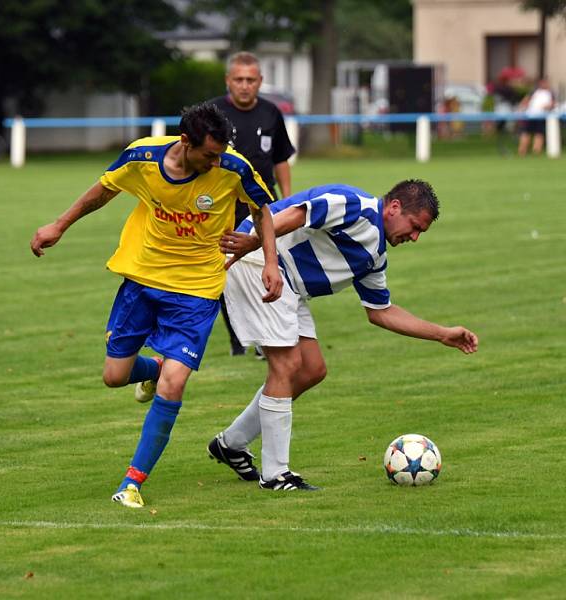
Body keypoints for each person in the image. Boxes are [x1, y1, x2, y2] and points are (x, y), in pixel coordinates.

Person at [30, 102, 283, 509]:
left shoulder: (232, 168)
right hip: (144, 279)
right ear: (185, 142)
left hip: (197, 289)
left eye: (221, 153)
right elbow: (104, 190)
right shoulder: (143, 157)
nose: (216, 161)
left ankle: (132, 482)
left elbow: (262, 209)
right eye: (209, 154)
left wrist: (269, 262)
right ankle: (156, 367)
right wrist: (59, 224)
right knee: (115, 376)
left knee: (175, 384)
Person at [207, 180, 479, 491]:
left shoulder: (375, 254)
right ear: (394, 208)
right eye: (415, 226)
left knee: (311, 370)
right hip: (262, 263)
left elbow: (381, 312)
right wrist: (255, 244)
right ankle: (275, 474)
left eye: (420, 233)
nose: (414, 237)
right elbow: (297, 213)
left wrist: (443, 334)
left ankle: (230, 444)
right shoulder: (354, 205)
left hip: (290, 284)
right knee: (286, 366)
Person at [209, 51, 296, 356]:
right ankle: (237, 339)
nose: (245, 85)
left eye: (251, 80)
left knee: (265, 266)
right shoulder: (212, 113)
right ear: (228, 81)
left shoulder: (272, 112)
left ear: (260, 81)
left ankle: (263, 338)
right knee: (225, 269)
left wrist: (287, 198)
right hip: (221, 208)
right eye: (239, 79)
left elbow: (281, 158)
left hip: (260, 207)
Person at [518, 77, 555, 156]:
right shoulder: (534, 91)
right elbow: (525, 101)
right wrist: (522, 108)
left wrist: (548, 106)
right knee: (526, 133)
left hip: (541, 116)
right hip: (530, 115)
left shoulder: (550, 93)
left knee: (539, 134)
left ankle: (536, 151)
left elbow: (552, 104)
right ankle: (522, 151)